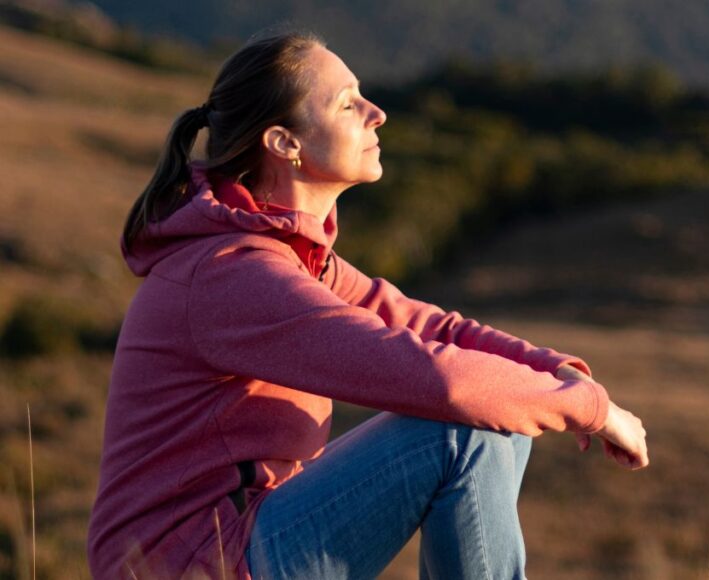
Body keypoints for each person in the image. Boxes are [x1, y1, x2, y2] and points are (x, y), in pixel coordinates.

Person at [86, 31, 649, 580]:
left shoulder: (290, 258)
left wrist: (558, 373)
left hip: (246, 539)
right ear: (285, 144)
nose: (377, 112)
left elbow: (433, 328)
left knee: (505, 405)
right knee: (465, 428)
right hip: (196, 563)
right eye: (347, 103)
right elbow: (440, 383)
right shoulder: (231, 275)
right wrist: (591, 411)